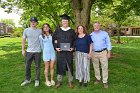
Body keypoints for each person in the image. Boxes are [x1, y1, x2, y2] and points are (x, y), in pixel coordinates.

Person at [52, 14, 76, 89]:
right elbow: (53, 40)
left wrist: (72, 48)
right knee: (60, 65)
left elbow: (75, 41)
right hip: (60, 52)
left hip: (69, 52)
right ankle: (59, 81)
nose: (65, 22)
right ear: (61, 22)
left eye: (66, 21)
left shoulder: (72, 31)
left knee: (69, 66)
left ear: (68, 22)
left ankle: (70, 81)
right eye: (63, 21)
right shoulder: (57, 30)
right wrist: (56, 48)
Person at [21, 17, 42, 87]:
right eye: (32, 22)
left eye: (34, 22)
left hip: (37, 52)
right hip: (29, 52)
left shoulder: (40, 31)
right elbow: (23, 40)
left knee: (37, 67)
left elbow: (46, 37)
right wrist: (23, 49)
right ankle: (28, 79)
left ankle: (37, 80)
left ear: (37, 23)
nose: (33, 23)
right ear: (30, 22)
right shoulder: (26, 30)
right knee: (27, 66)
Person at [90, 22, 112, 89]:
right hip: (94, 53)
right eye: (95, 26)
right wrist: (90, 53)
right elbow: (90, 45)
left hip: (103, 52)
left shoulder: (104, 33)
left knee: (104, 66)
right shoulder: (91, 35)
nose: (96, 27)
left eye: (97, 25)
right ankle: (98, 78)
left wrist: (109, 52)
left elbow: (108, 43)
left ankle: (105, 81)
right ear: (93, 27)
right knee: (96, 66)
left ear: (99, 26)